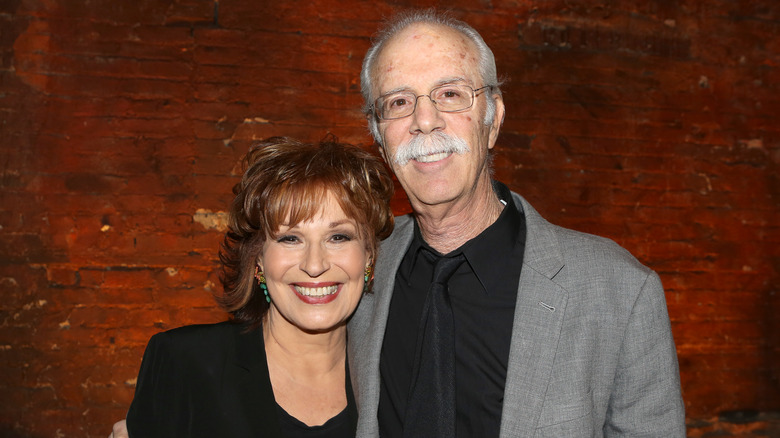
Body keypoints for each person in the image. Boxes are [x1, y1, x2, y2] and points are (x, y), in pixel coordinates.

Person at [112, 8, 686, 438]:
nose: (425, 121)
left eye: (450, 94)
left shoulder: (616, 290)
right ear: (380, 134)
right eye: (399, 103)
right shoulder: (364, 270)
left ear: (492, 116)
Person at [116, 137, 394, 438]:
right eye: (290, 238)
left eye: (338, 237)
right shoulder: (185, 362)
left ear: (369, 254)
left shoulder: (395, 378)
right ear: (258, 257)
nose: (315, 265)